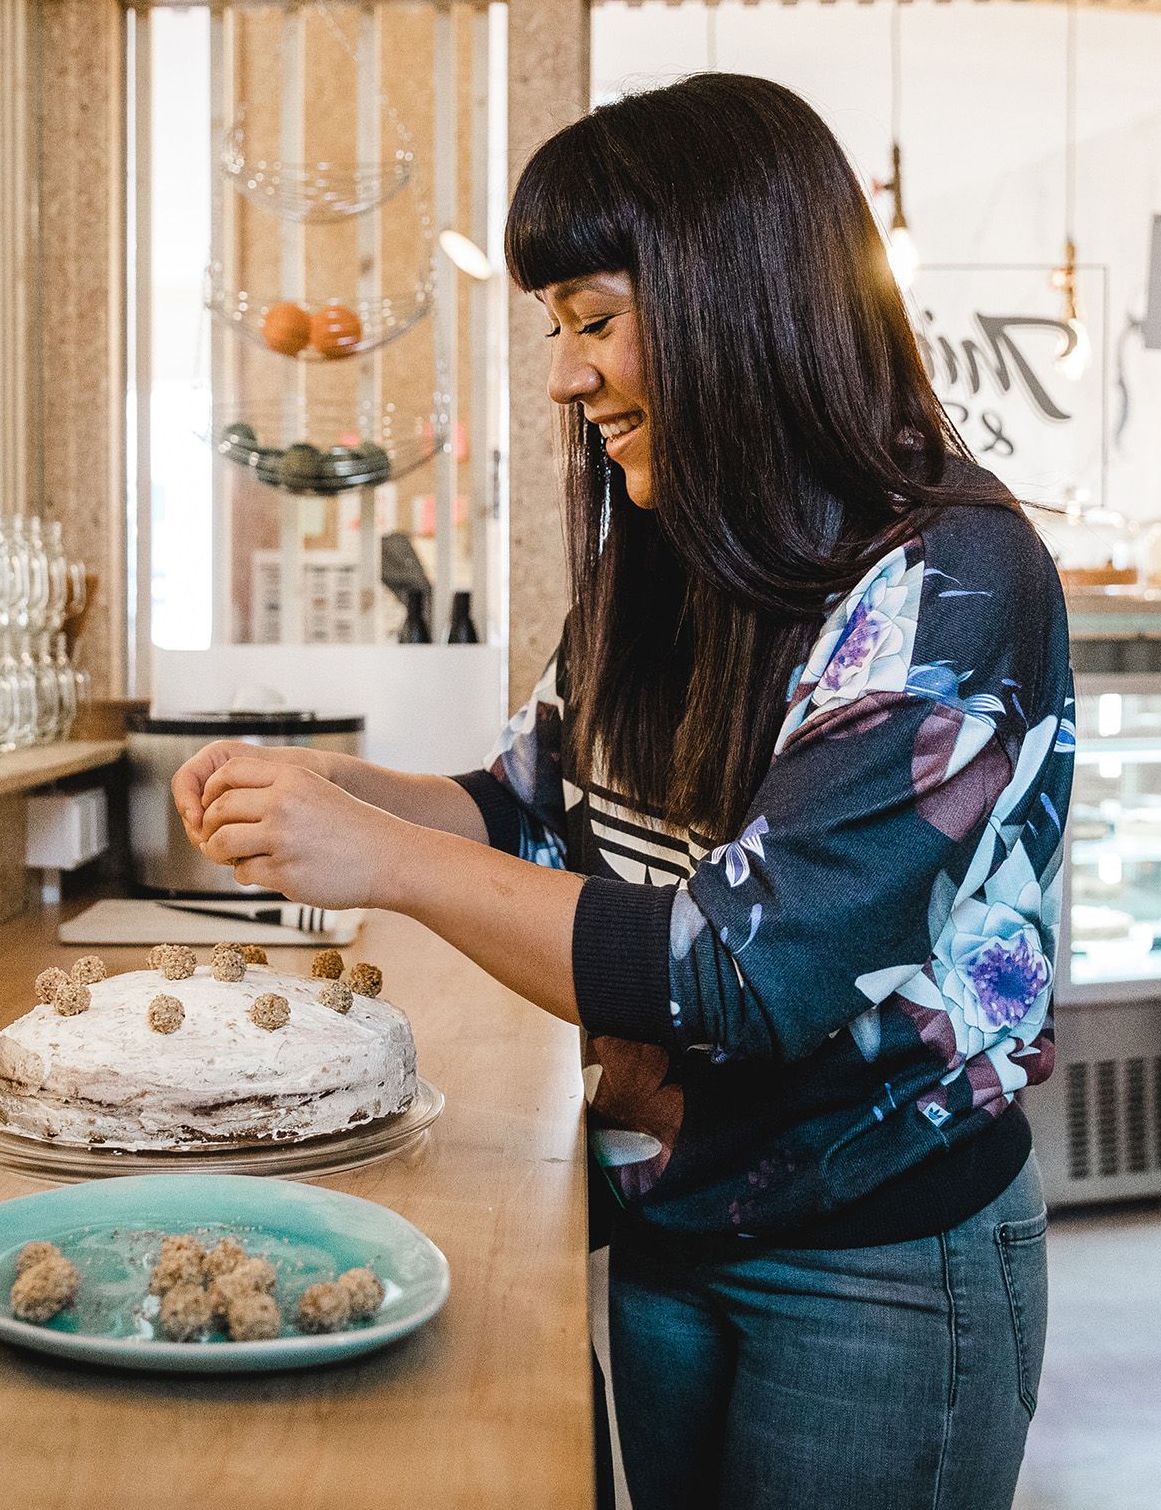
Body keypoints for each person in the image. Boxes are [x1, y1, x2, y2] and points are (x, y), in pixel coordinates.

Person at [171, 73, 1071, 1510]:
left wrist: (384, 863)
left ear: (740, 300)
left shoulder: (951, 582)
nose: (562, 377)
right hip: (670, 1222)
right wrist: (337, 794)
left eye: (594, 322)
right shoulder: (671, 548)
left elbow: (738, 968)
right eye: (556, 331)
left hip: (877, 1268)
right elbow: (531, 805)